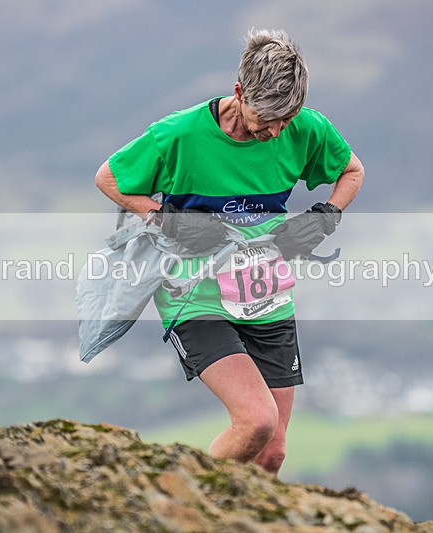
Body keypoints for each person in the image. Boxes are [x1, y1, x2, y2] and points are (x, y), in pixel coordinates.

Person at [94, 29, 363, 475]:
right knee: (256, 420)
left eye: (287, 117)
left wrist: (324, 217)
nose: (277, 130)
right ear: (238, 93)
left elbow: (352, 171)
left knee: (272, 454)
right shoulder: (177, 135)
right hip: (193, 295)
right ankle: (169, 501)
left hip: (266, 295)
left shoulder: (304, 128)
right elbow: (108, 178)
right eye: (268, 117)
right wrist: (167, 219)